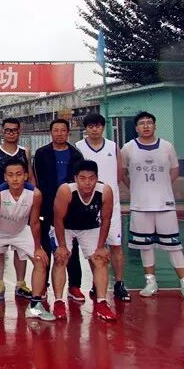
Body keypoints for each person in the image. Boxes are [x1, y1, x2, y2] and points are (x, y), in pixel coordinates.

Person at [0, 160, 54, 321]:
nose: (15, 178)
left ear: (25, 176)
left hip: (21, 230)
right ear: (5, 177)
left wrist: (38, 247)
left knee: (40, 260)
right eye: (11, 175)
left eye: (19, 174)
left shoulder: (35, 194)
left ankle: (35, 306)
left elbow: (35, 222)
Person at [121, 111, 184, 297]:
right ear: (136, 128)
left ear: (155, 126)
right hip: (140, 205)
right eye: (142, 123)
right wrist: (135, 188)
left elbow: (174, 170)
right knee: (145, 245)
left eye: (149, 122)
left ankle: (183, 281)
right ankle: (151, 282)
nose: (146, 126)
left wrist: (162, 186)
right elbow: (122, 172)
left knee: (174, 245)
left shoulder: (167, 146)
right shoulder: (128, 148)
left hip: (165, 204)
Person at [50, 160, 116, 321]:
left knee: (100, 259)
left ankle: (102, 302)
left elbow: (106, 220)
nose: (87, 182)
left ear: (97, 178)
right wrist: (62, 246)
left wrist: (101, 247)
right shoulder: (66, 191)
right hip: (65, 227)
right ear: (75, 178)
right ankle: (58, 302)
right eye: (83, 178)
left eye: (91, 178)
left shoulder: (105, 191)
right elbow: (58, 219)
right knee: (61, 258)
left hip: (89, 227)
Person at [75, 113, 130, 301]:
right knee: (94, 248)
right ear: (86, 129)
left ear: (103, 127)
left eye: (98, 126)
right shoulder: (78, 147)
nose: (94, 129)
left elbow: (119, 174)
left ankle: (119, 283)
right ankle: (96, 283)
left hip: (111, 203)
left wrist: (109, 193)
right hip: (88, 204)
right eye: (90, 126)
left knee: (115, 245)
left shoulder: (113, 146)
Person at [33, 119, 84, 301]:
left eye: (63, 130)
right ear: (51, 132)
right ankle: (43, 285)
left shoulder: (76, 155)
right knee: (45, 246)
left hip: (69, 207)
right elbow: (37, 179)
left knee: (71, 247)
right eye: (56, 130)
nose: (59, 133)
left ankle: (74, 286)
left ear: (68, 133)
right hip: (47, 206)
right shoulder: (41, 154)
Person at [0, 118, 35, 301]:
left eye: (14, 130)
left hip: (21, 203)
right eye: (7, 130)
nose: (11, 133)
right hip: (1, 203)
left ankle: (20, 283)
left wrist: (33, 199)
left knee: (20, 248)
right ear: (2, 132)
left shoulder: (25, 151)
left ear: (19, 131)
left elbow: (30, 176)